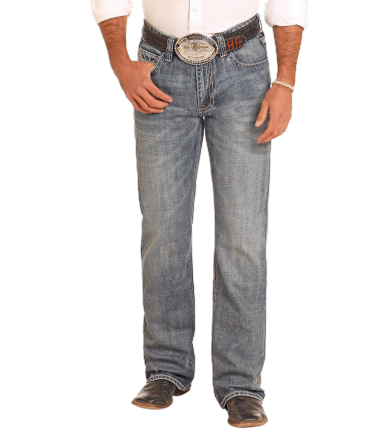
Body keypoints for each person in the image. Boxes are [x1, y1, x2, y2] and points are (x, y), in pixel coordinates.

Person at [92, 0, 308, 428]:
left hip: (243, 68)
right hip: (158, 67)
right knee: (162, 230)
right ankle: (165, 370)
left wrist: (285, 81)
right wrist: (119, 61)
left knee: (244, 236)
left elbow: (288, 0)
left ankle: (241, 385)